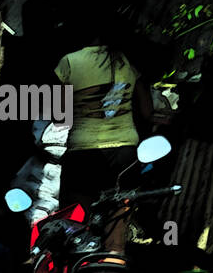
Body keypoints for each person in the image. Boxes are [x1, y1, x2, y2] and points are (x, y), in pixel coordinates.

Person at [53, 17, 155, 251]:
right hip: (125, 152)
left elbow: (59, 114)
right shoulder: (128, 63)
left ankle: (84, 263)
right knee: (118, 211)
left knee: (82, 215)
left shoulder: (69, 62)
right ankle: (114, 260)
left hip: (83, 151)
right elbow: (147, 112)